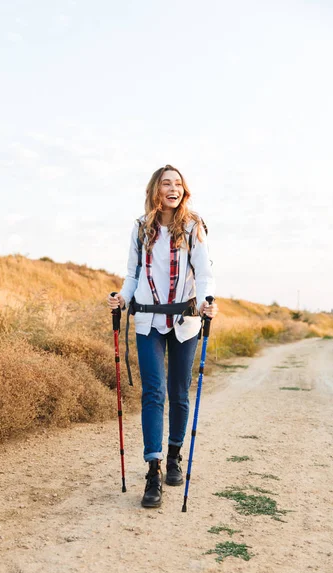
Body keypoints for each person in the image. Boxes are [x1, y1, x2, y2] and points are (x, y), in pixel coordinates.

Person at [107, 165, 218, 508]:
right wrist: (122, 297)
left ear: (184, 191)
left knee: (178, 392)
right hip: (147, 320)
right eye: (167, 183)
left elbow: (204, 274)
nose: (173, 188)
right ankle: (153, 470)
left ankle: (174, 456)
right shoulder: (141, 228)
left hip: (185, 320)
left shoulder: (192, 226)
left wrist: (205, 303)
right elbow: (132, 272)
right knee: (153, 392)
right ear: (155, 189)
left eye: (178, 184)